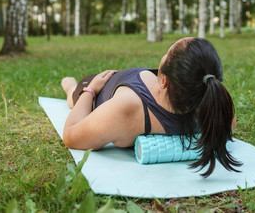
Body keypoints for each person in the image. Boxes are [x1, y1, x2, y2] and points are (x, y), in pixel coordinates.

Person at [61, 37, 241, 177]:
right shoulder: (212, 95)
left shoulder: (126, 108)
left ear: (163, 81)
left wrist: (91, 89)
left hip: (101, 87)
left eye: (168, 53)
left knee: (73, 97)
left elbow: (71, 136)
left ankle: (69, 85)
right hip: (125, 83)